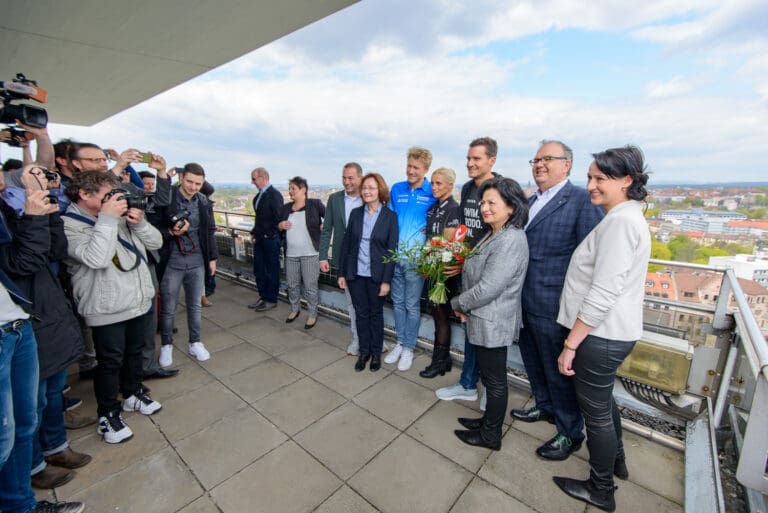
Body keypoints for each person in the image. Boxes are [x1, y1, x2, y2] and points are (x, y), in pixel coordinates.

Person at [552, 145, 651, 512]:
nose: (591, 185)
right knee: (605, 405)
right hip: (611, 333)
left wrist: (571, 343)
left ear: (626, 181)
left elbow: (603, 290)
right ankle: (617, 462)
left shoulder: (621, 223)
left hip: (601, 335)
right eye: (590, 177)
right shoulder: (624, 217)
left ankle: (601, 489)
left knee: (595, 414)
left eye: (600, 179)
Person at [513, 140, 604, 461]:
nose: (539, 165)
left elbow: (591, 261)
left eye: (547, 159)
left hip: (555, 306)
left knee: (559, 371)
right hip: (523, 301)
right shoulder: (530, 200)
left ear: (567, 164)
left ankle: (569, 432)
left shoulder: (581, 200)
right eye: (535, 160)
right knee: (533, 362)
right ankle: (544, 407)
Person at [0, 165, 91, 490]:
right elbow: (22, 261)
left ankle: (55, 447)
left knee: (52, 389)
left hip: (43, 309)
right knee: (29, 406)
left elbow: (54, 249)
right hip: (26, 315)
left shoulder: (11, 208)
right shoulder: (10, 212)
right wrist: (33, 215)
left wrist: (47, 206)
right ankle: (33, 465)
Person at [62, 171, 163, 444]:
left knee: (134, 353)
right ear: (84, 194)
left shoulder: (117, 219)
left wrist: (139, 224)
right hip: (106, 307)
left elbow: (156, 243)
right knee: (109, 363)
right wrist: (107, 218)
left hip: (136, 300)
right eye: (108, 195)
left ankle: (131, 394)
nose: (116, 200)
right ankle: (108, 413)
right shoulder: (69, 224)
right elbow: (96, 258)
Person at [451, 177, 529, 450]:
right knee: (489, 375)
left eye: (492, 202)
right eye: (483, 202)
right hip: (482, 318)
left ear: (511, 206)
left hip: (493, 321)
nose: (484, 207)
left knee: (495, 382)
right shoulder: (493, 232)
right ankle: (487, 422)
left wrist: (458, 303)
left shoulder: (511, 240)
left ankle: (491, 435)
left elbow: (488, 288)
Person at [436, 137, 500, 403]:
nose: (470, 163)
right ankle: (468, 384)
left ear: (491, 161)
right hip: (467, 270)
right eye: (468, 158)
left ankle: (492, 390)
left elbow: (501, 234)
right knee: (471, 330)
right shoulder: (467, 189)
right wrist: (454, 257)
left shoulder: (500, 188)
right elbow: (463, 230)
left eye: (477, 159)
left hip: (489, 273)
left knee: (488, 333)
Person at [156, 163, 217, 366]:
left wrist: (212, 258)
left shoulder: (203, 202)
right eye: (190, 181)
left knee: (195, 305)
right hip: (172, 259)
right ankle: (166, 345)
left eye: (198, 183)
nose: (193, 187)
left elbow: (209, 231)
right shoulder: (168, 197)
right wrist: (171, 233)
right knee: (168, 307)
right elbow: (154, 223)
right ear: (181, 178)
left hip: (197, 259)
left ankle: (195, 342)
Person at [338, 173, 398, 372]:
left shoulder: (390, 217)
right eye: (364, 188)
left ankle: (375, 353)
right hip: (355, 275)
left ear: (380, 190)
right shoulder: (356, 214)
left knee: (375, 314)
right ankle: (364, 352)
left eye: (371, 188)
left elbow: (392, 252)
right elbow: (346, 245)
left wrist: (386, 281)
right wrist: (341, 273)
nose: (367, 191)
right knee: (360, 314)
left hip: (377, 276)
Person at [385, 147, 436, 371]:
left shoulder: (431, 192)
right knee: (397, 303)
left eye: (416, 167)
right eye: (409, 166)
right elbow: (388, 219)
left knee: (412, 305)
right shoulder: (397, 189)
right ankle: (400, 342)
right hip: (396, 257)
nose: (411, 171)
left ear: (426, 169)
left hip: (417, 260)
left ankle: (409, 347)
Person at [319, 163, 364, 354]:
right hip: (344, 260)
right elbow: (327, 228)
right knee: (352, 303)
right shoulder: (334, 199)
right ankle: (357, 338)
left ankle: (372, 337)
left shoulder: (368, 197)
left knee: (371, 303)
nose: (347, 182)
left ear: (360, 177)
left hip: (366, 258)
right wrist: (323, 256)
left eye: (351, 178)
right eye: (344, 178)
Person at [419, 167, 460, 378]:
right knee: (436, 315)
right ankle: (442, 360)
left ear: (451, 185)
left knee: (442, 317)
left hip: (443, 274)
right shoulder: (433, 208)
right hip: (433, 271)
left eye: (439, 183)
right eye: (432, 183)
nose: (434, 187)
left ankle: (440, 361)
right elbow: (430, 241)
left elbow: (448, 245)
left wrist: (433, 267)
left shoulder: (453, 209)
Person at [279, 177, 325, 329]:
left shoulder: (315, 204)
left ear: (303, 189)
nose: (290, 191)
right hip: (291, 254)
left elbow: (329, 220)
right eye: (290, 188)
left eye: (293, 188)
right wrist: (280, 225)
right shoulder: (286, 208)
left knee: (310, 286)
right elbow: (277, 227)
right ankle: (294, 309)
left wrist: (323, 225)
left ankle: (312, 314)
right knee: (292, 284)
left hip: (310, 253)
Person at [248, 167, 283, 311]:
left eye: (254, 179)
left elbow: (279, 218)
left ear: (262, 178)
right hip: (260, 240)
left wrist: (271, 235)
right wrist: (254, 233)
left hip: (270, 240)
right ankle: (263, 297)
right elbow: (260, 220)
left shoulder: (274, 195)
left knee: (271, 270)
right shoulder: (259, 196)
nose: (252, 182)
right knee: (259, 270)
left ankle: (271, 299)